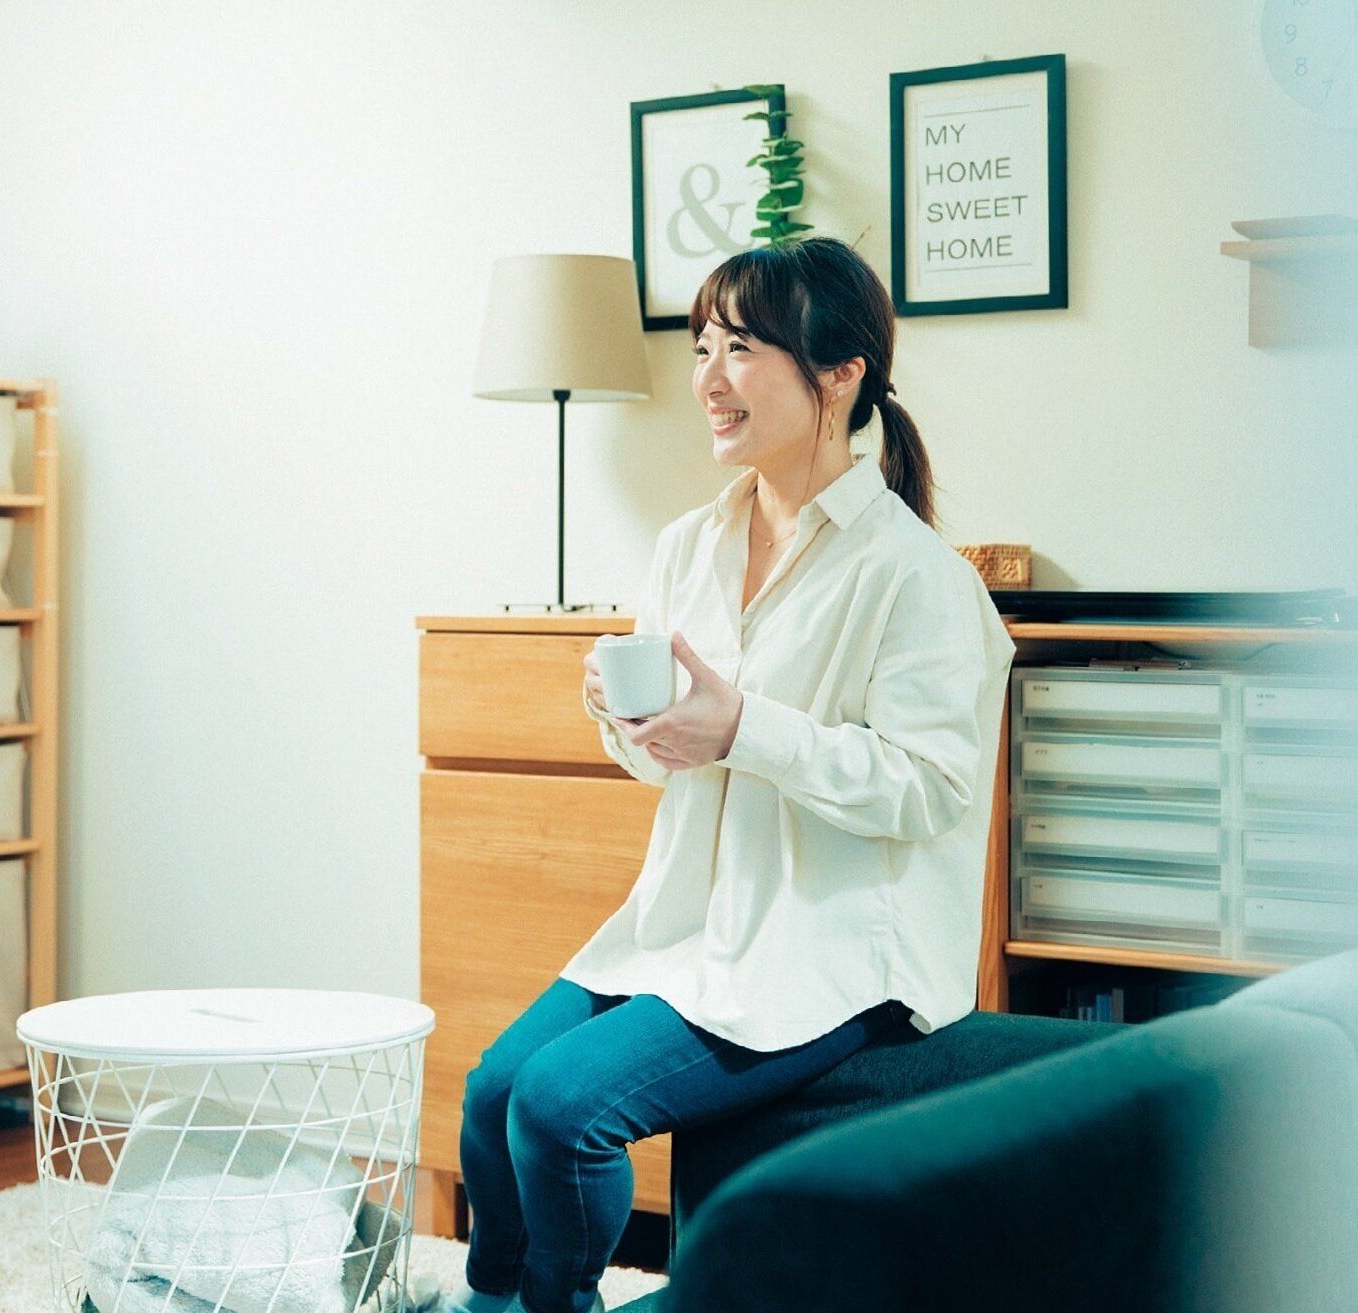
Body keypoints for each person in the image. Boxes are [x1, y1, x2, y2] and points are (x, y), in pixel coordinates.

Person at [430, 237, 1016, 1313]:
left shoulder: (915, 575)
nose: (707, 378)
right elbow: (665, 764)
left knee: (559, 1109)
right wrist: (624, 719)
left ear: (840, 373)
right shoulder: (688, 546)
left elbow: (928, 788)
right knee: (491, 1092)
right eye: (702, 347)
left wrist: (743, 727)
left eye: (740, 348)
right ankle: (488, 1298)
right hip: (687, 922)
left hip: (826, 948)